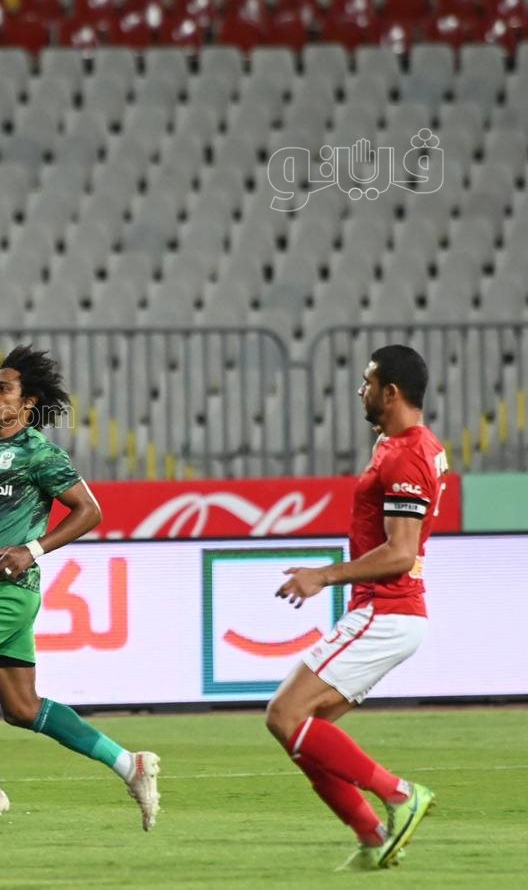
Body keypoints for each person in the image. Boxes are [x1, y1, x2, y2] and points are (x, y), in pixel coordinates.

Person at [0, 345, 160, 845]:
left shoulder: (40, 454)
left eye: (3, 388)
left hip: (3, 591)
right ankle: (128, 764)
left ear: (28, 403)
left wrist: (32, 549)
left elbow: (90, 511)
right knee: (21, 709)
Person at [268, 344, 445, 871]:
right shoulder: (405, 445)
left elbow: (401, 552)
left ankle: (399, 795)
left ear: (390, 392)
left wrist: (322, 576)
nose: (360, 391)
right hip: (389, 612)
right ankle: (372, 838)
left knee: (284, 714)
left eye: (367, 382)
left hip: (386, 610)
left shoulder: (406, 454)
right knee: (305, 734)